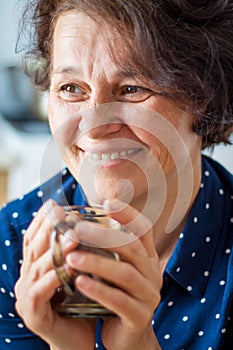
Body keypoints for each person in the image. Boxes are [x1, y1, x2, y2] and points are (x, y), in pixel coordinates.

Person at [0, 0, 233, 349]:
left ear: (206, 98)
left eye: (132, 88)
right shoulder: (11, 247)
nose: (93, 127)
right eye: (70, 88)